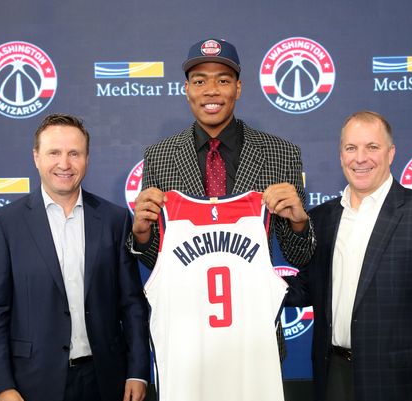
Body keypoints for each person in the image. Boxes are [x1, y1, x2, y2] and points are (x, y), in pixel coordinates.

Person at [287, 111, 412, 401]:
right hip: (334, 380)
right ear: (340, 153)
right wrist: (247, 282)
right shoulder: (321, 218)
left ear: (390, 153)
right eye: (350, 148)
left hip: (400, 386)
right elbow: (307, 288)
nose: (360, 158)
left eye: (371, 147)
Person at [0, 113, 149, 401]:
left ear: (86, 158)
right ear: (36, 157)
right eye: (54, 152)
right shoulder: (7, 224)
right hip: (32, 388)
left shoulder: (114, 220)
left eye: (74, 153)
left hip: (104, 386)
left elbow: (132, 305)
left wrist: (137, 371)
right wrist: (2, 386)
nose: (64, 163)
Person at [128, 37, 315, 272]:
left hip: (253, 302)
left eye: (223, 80)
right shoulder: (159, 156)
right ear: (186, 90)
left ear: (238, 88)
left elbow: (299, 256)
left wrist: (299, 223)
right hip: (184, 303)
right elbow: (155, 262)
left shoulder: (281, 154)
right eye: (199, 81)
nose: (211, 91)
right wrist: (142, 236)